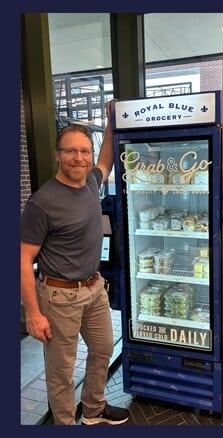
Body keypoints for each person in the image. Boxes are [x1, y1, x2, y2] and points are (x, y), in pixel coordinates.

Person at [20, 103, 130, 425]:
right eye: (70, 151)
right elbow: (23, 259)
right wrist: (33, 313)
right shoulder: (41, 203)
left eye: (84, 151)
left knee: (103, 349)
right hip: (59, 298)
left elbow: (106, 160)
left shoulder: (92, 184)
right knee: (61, 372)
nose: (78, 158)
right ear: (58, 155)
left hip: (94, 289)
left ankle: (94, 410)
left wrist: (110, 123)